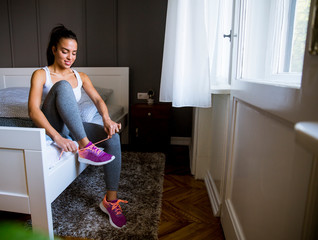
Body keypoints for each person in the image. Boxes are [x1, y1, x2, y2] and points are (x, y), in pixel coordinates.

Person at [28, 24, 127, 229]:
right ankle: (85, 146)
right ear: (54, 49)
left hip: (72, 128)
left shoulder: (81, 77)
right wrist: (57, 137)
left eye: (74, 53)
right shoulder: (41, 74)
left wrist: (107, 119)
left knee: (113, 136)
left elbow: (99, 101)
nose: (70, 57)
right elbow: (33, 111)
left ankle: (110, 200)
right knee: (62, 85)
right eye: (65, 51)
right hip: (53, 126)